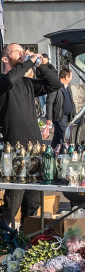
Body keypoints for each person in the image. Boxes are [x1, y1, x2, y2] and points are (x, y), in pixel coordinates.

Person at [0, 45, 60, 225]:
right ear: (5, 59)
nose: (21, 53)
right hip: (15, 150)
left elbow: (55, 84)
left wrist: (42, 65)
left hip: (35, 149)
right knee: (13, 203)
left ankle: (27, 241)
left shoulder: (27, 83)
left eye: (22, 50)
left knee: (33, 202)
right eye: (16, 51)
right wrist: (28, 62)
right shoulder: (3, 81)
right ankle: (3, 240)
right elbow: (10, 79)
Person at [45, 68, 75, 147]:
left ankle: (52, 150)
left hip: (67, 115)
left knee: (57, 136)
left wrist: (74, 114)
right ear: (66, 77)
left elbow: (71, 100)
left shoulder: (68, 87)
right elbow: (49, 102)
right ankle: (63, 152)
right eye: (70, 76)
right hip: (59, 115)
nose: (71, 78)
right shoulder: (55, 86)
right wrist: (49, 117)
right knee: (64, 136)